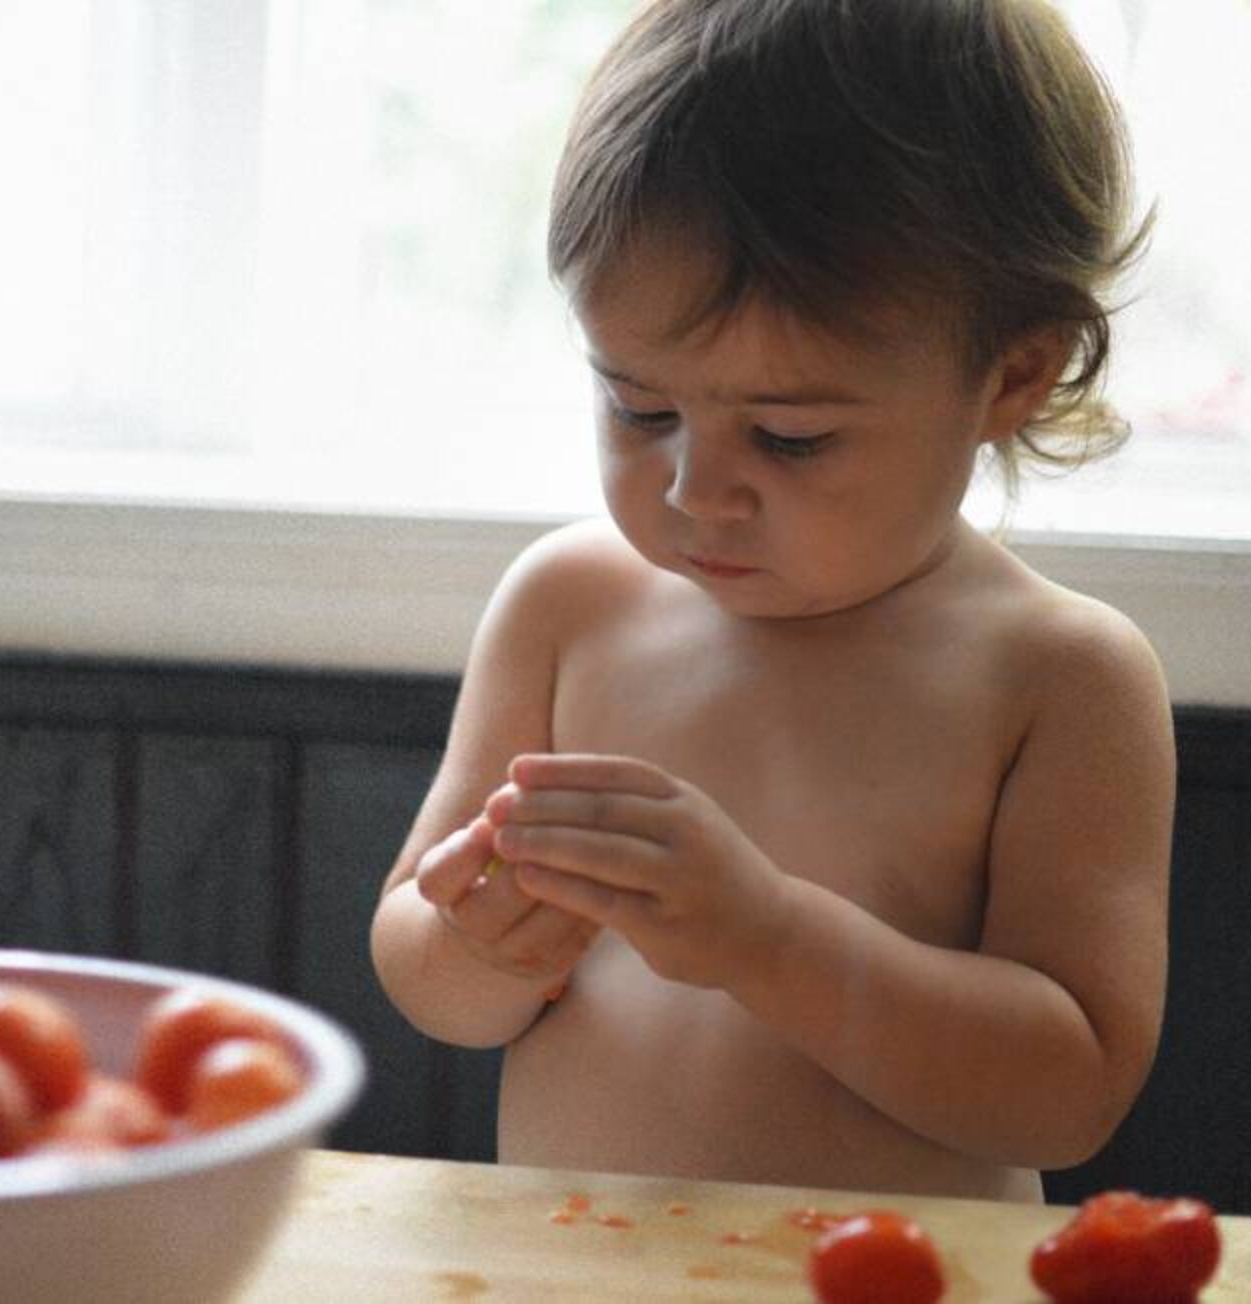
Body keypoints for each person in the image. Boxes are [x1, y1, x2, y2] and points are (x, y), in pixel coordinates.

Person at [369, 0, 1175, 1203]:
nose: (694, 490)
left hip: (902, 1281)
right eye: (640, 408)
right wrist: (479, 944)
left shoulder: (1058, 673)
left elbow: (1070, 1094)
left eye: (790, 435)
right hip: (572, 1275)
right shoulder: (568, 604)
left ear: (1012, 373)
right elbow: (427, 974)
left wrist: (768, 939)